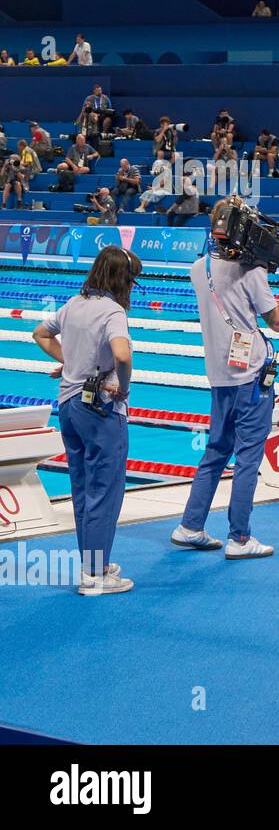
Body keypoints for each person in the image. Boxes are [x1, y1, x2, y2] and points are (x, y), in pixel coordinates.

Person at [170, 198, 279, 560]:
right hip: (251, 380)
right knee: (248, 457)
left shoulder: (199, 268)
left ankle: (190, 526)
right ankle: (240, 537)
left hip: (219, 377)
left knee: (216, 452)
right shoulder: (252, 273)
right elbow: (276, 320)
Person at [32, 246, 140, 594]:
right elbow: (121, 354)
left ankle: (94, 564)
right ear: (122, 279)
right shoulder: (113, 311)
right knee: (104, 491)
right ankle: (95, 575)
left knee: (82, 488)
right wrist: (122, 388)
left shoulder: (74, 303)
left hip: (68, 406)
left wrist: (71, 361)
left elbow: (40, 333)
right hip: (100, 411)